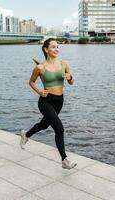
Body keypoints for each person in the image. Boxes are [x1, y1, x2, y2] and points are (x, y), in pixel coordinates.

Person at [20, 38, 77, 169]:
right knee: (59, 128)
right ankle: (64, 160)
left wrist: (70, 78)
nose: (56, 49)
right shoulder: (40, 67)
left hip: (59, 101)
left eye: (57, 47)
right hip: (46, 101)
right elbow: (31, 82)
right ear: (46, 49)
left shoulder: (64, 64)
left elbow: (71, 82)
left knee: (44, 125)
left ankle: (26, 135)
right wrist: (40, 92)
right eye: (53, 47)